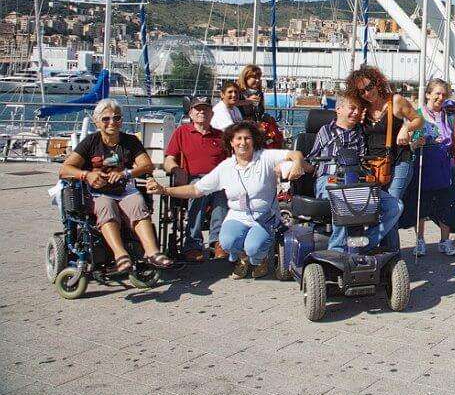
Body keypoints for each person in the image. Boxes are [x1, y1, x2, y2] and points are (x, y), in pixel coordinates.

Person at [147, 122, 305, 278]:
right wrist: (164, 190)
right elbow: (195, 190)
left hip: (264, 216)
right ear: (231, 142)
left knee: (254, 247)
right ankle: (242, 258)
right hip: (238, 216)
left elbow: (295, 154)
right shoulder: (226, 167)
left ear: (254, 141)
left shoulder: (265, 157)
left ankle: (259, 259)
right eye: (238, 139)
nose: (243, 143)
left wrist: (297, 163)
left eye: (247, 138)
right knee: (227, 243)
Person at [59, 99, 174, 273]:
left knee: (137, 203)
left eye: (117, 118)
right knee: (106, 206)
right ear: (97, 122)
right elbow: (65, 169)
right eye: (106, 119)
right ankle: (120, 255)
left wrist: (126, 173)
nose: (112, 122)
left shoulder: (130, 141)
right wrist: (87, 175)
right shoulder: (91, 142)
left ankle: (152, 252)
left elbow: (146, 165)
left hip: (123, 189)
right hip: (97, 192)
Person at [305, 91, 403, 253]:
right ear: (339, 109)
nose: (356, 112)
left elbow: (364, 162)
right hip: (330, 180)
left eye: (359, 109)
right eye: (352, 108)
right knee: (344, 200)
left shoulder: (359, 134)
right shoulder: (325, 131)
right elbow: (311, 160)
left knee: (395, 206)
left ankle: (364, 244)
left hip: (356, 181)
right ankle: (337, 250)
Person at [400, 79, 455, 257]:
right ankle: (420, 240)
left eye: (444, 94)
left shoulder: (449, 117)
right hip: (423, 164)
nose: (440, 97)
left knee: (447, 203)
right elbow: (407, 143)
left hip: (444, 165)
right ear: (428, 94)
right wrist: (415, 143)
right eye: (437, 93)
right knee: (421, 204)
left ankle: (445, 241)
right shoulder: (417, 115)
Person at [163, 96, 228, 262]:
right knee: (199, 189)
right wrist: (175, 169)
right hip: (193, 179)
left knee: (222, 192)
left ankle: (218, 242)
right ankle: (192, 244)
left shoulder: (220, 136)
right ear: (190, 113)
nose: (201, 112)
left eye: (205, 109)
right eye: (197, 109)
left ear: (211, 113)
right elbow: (169, 159)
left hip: (217, 179)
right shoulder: (182, 132)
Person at [345, 65, 424, 200]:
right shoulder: (362, 108)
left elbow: (419, 120)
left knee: (392, 201)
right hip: (373, 164)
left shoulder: (395, 101)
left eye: (369, 87)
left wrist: (406, 128)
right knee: (374, 203)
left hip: (399, 160)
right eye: (362, 91)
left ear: (377, 83)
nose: (367, 93)